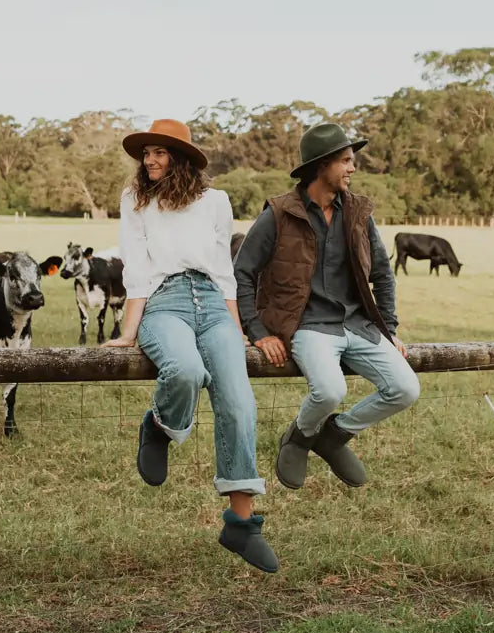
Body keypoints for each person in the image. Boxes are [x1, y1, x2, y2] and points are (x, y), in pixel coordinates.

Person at [104, 119, 278, 573]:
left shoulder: (215, 201)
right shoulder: (136, 200)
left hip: (214, 306)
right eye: (146, 154)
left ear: (181, 158)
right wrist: (128, 330)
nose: (150, 161)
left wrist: (237, 327)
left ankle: (241, 523)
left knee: (239, 402)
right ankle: (160, 427)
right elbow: (136, 266)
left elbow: (225, 269)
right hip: (166, 302)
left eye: (160, 153)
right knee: (185, 371)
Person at [233, 123, 420, 491]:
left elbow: (383, 275)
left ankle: (334, 435)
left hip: (357, 325)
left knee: (406, 389)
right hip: (308, 326)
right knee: (330, 390)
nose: (353, 168)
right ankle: (299, 437)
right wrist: (257, 332)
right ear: (322, 166)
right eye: (346, 161)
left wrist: (389, 330)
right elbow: (242, 273)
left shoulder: (359, 213)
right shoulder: (279, 214)